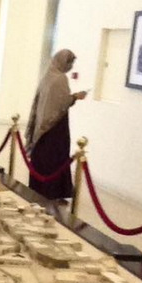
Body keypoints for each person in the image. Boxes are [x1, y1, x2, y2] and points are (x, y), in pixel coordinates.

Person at [24, 49, 88, 202]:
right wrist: (76, 97)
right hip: (55, 126)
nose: (71, 66)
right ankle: (52, 192)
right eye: (69, 62)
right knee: (54, 159)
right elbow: (62, 103)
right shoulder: (60, 79)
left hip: (42, 124)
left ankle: (39, 189)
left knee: (43, 158)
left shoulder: (48, 76)